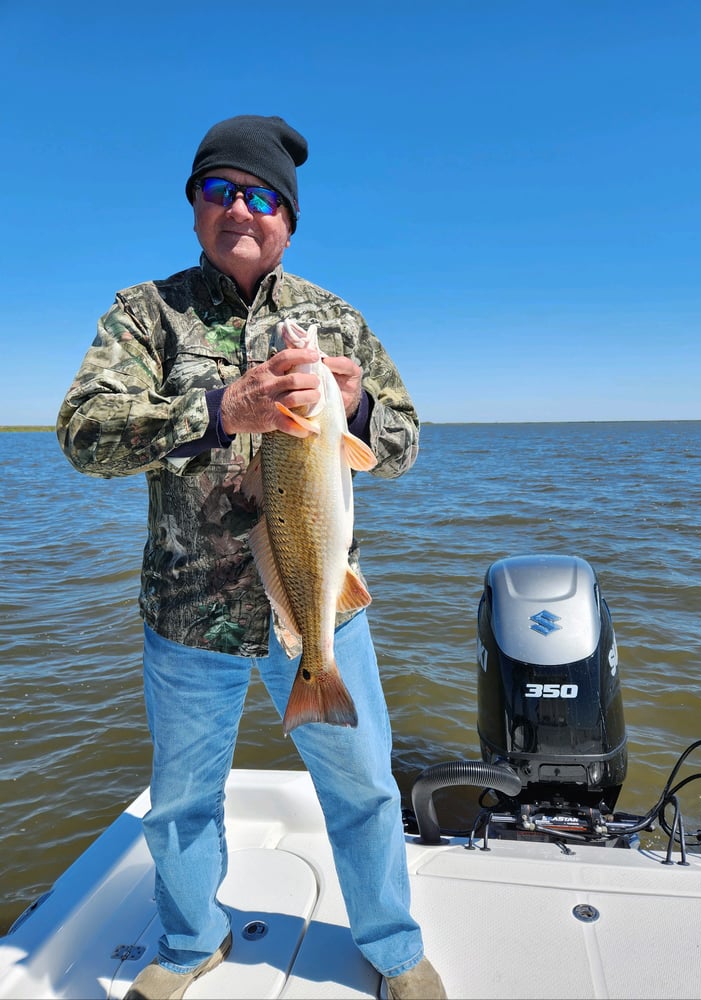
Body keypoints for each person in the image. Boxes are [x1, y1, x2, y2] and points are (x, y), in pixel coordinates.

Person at [56, 115, 446, 1000]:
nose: (242, 207)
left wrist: (352, 414)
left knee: (363, 788)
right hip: (188, 613)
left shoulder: (334, 319)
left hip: (323, 607)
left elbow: (406, 442)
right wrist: (216, 411)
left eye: (262, 195)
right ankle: (192, 941)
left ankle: (391, 946)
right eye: (220, 189)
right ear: (196, 206)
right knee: (182, 800)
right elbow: (82, 436)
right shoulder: (143, 314)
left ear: (287, 218)